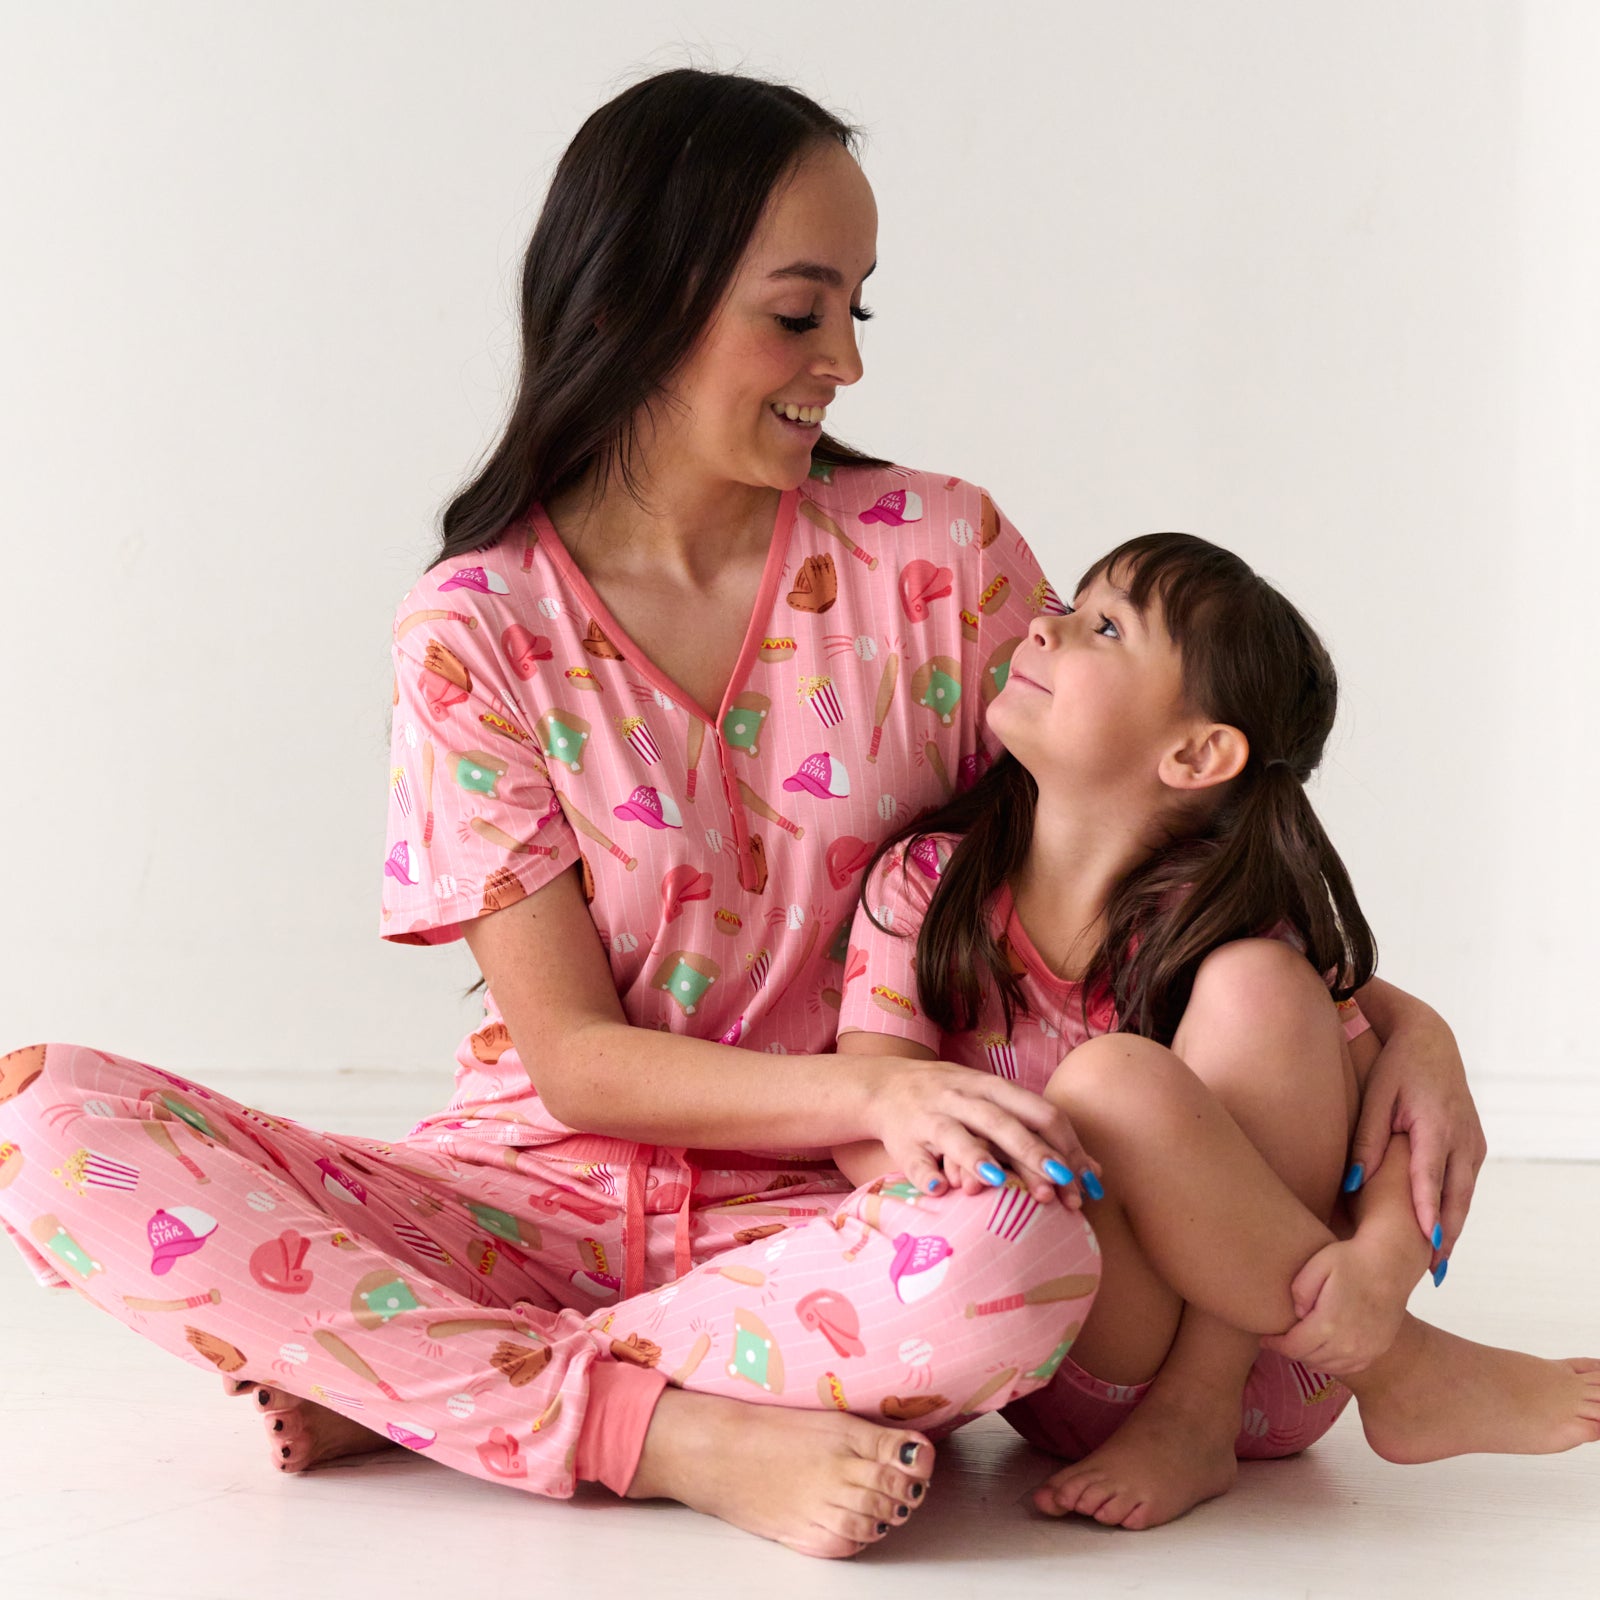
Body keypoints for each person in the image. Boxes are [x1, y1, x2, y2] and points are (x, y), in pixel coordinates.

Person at [0, 67, 1484, 1560]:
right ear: (640, 300)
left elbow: (1153, 822)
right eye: (798, 310)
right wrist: (869, 1093)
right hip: (521, 1200)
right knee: (43, 1127)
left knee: (1028, 1259)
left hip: (837, 1235)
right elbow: (575, 1061)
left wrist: (1398, 1024)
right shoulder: (477, 628)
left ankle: (417, 1383)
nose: (841, 358)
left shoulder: (937, 555)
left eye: (860, 309)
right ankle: (667, 1431)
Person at [830, 532, 1600, 1530]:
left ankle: (1210, 1408)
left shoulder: (1227, 917)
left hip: (1289, 1364)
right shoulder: (925, 888)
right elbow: (864, 1120)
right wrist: (994, 1180)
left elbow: (1395, 1117)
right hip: (1082, 1358)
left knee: (1251, 992)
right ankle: (1405, 1368)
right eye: (1071, 605)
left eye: (1102, 626)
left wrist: (1382, 1270)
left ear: (1196, 753)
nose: (1043, 624)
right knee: (1111, 1084)